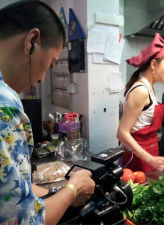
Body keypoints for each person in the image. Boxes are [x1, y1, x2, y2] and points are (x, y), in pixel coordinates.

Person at [0, 1, 95, 224]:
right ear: (32, 42)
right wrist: (73, 188)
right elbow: (24, 221)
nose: (42, 78)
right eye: (51, 64)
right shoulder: (5, 105)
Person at [117, 33, 164, 173]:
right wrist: (149, 158)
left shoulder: (148, 88)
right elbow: (122, 133)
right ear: (153, 64)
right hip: (138, 157)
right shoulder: (140, 90)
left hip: (150, 152)